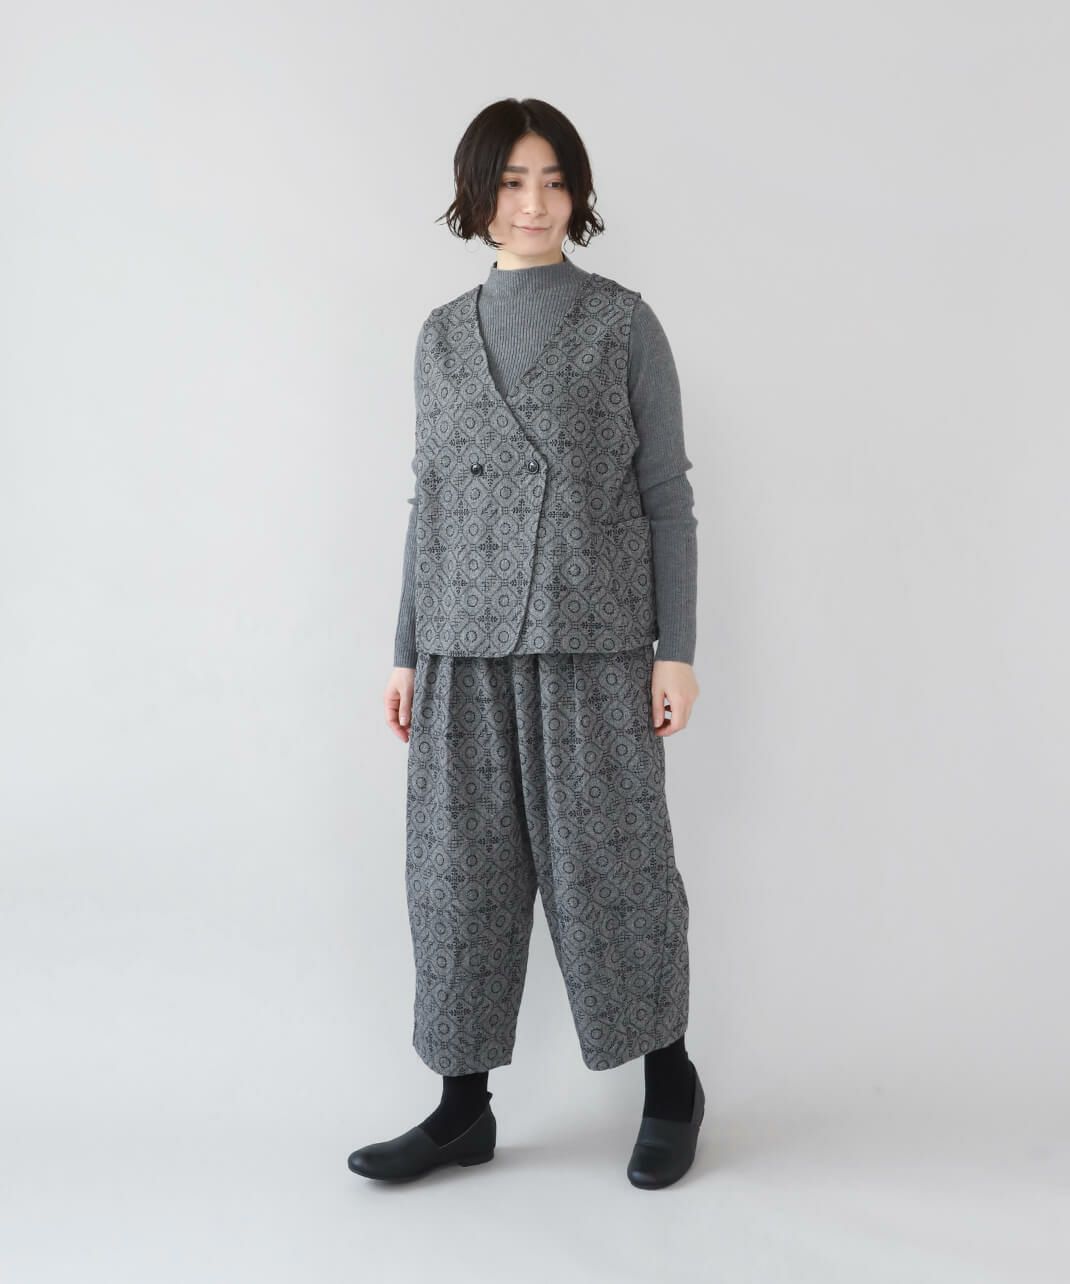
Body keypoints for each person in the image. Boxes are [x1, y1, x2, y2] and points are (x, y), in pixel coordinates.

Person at [348, 98, 704, 1189]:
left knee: (614, 874)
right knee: (456, 877)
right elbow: (430, 503)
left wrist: (676, 649)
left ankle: (671, 1083)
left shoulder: (623, 324)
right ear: (477, 195)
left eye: (553, 180)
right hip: (459, 650)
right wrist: (406, 650)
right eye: (510, 181)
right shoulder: (437, 336)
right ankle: (462, 1110)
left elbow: (666, 497)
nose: (534, 203)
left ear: (577, 193)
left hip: (592, 644)